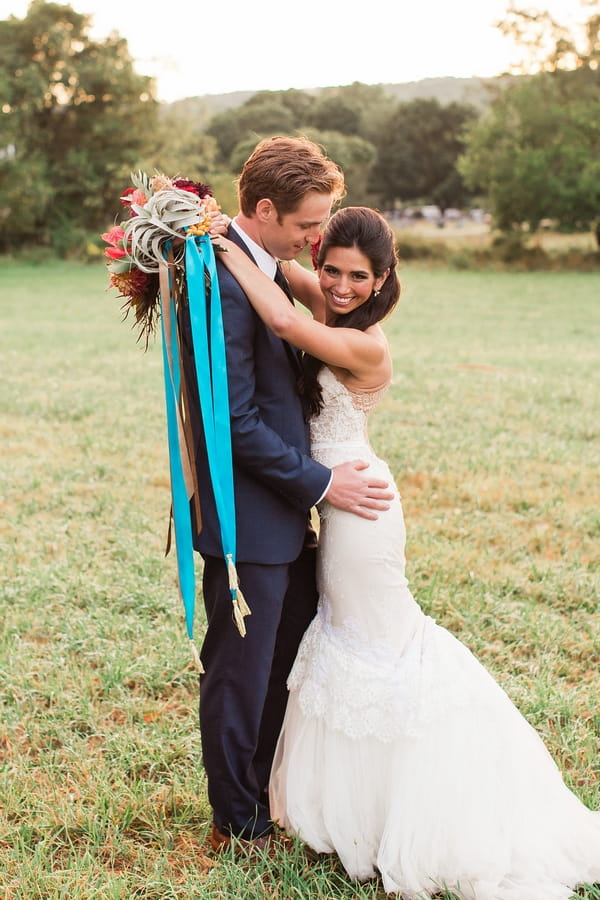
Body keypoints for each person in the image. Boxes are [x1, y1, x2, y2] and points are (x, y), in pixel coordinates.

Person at [213, 206, 600, 899]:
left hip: (359, 508)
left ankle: (430, 799)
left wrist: (218, 248)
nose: (337, 285)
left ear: (382, 279)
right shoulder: (327, 295)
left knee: (379, 646)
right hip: (330, 501)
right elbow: (286, 276)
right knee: (345, 642)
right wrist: (228, 238)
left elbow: (280, 318)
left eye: (356, 276)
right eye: (331, 268)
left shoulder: (368, 344)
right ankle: (355, 801)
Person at [178, 137, 394, 852]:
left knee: (284, 659)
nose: (316, 240)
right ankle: (236, 820)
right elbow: (232, 421)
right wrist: (321, 481)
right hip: (252, 517)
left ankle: (265, 793)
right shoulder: (222, 280)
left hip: (294, 515)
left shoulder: (268, 271)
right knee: (240, 671)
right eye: (309, 225)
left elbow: (293, 309)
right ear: (265, 210)